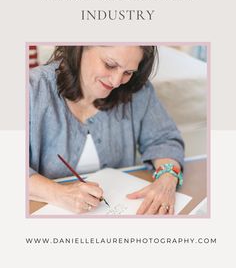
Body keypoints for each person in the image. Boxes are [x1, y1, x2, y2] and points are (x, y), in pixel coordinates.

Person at [29, 45, 184, 215]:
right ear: (80, 48)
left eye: (128, 72)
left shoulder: (137, 89)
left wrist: (167, 177)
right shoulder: (32, 89)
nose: (117, 82)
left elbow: (164, 139)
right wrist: (60, 194)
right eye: (110, 65)